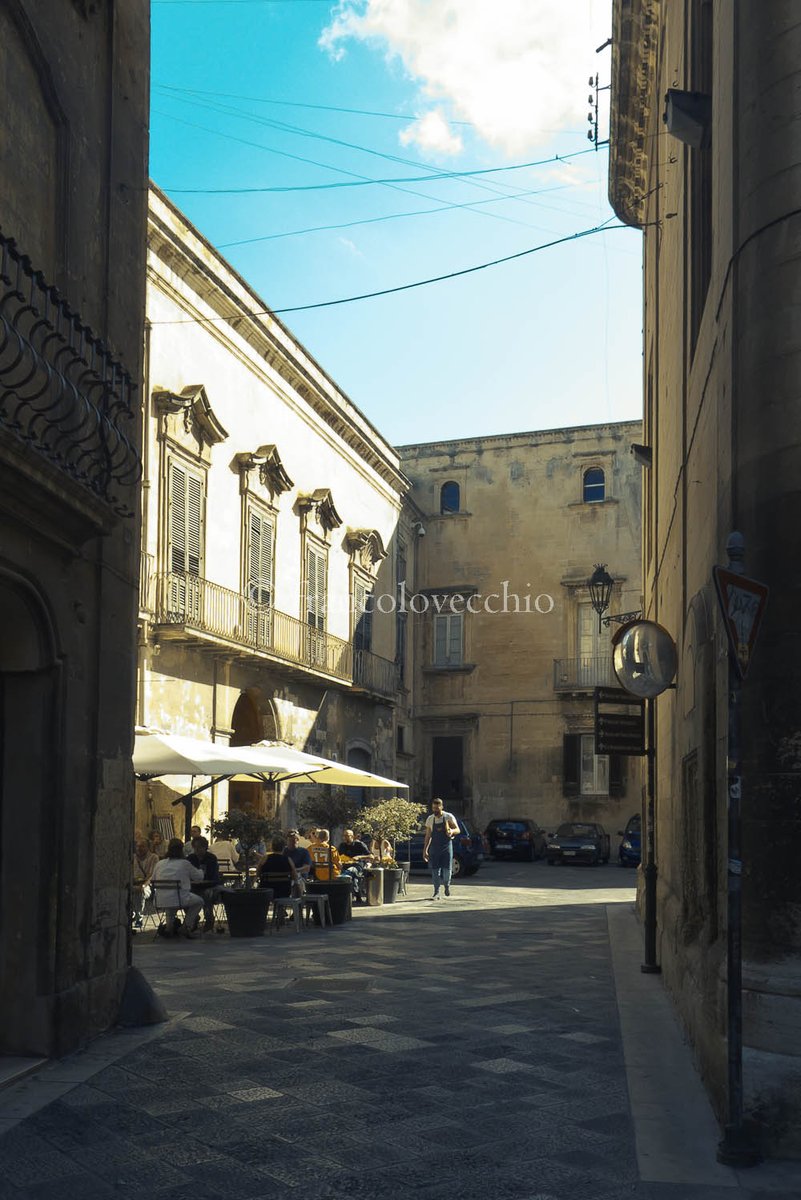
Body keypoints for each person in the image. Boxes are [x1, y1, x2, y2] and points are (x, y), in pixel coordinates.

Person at [150, 838, 204, 936]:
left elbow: (153, 879)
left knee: (171, 901)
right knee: (199, 901)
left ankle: (169, 928)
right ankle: (186, 926)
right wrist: (201, 870)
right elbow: (198, 878)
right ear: (181, 850)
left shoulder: (160, 863)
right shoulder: (185, 864)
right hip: (179, 898)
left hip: (160, 900)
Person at [423, 797, 460, 899]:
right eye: (433, 808)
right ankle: (436, 892)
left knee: (447, 869)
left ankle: (447, 885)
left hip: (446, 847)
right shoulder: (430, 819)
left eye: (437, 808)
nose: (435, 810)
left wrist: (452, 832)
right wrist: (425, 850)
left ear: (441, 807)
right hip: (434, 848)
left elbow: (457, 829)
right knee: (435, 870)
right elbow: (428, 836)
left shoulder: (448, 817)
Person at [186, 836, 221, 932]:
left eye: (200, 847)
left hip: (210, 886)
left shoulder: (211, 858)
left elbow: (213, 876)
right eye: (195, 847)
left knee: (206, 894)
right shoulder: (190, 858)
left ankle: (209, 919)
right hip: (194, 886)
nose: (197, 850)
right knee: (183, 895)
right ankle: (193, 917)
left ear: (205, 847)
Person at [338, 829, 371, 902]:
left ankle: (355, 894)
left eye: (347, 836)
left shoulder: (359, 844)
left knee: (351, 871)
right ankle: (353, 895)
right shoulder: (342, 845)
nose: (345, 838)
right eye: (344, 836)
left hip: (357, 865)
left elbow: (371, 856)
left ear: (352, 836)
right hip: (345, 865)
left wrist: (359, 857)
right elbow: (338, 856)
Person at [132, 838, 159, 929]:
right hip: (134, 883)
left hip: (148, 884)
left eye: (142, 846)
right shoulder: (132, 858)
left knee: (140, 891)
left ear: (148, 847)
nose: (139, 848)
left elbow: (152, 875)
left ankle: (138, 917)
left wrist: (144, 885)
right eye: (138, 846)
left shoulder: (153, 858)